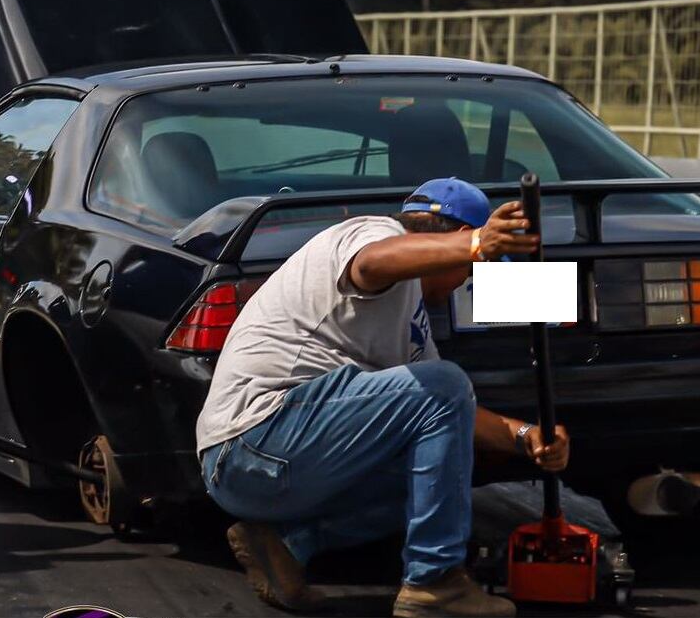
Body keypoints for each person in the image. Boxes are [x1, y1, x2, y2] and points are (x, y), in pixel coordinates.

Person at [196, 178, 572, 617]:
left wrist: (525, 435)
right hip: (253, 440)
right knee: (445, 386)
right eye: (471, 270)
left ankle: (285, 543)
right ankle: (435, 584)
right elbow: (372, 265)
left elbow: (453, 411)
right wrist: (474, 244)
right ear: (448, 238)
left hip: (273, 459)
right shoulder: (373, 232)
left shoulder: (414, 324)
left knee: (442, 475)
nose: (464, 282)